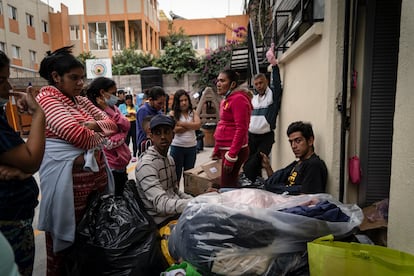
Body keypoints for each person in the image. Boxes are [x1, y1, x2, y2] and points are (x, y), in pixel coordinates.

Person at [35, 46, 118, 275]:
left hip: (92, 185)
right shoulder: (48, 100)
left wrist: (93, 129)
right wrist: (98, 136)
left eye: (82, 78)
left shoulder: (79, 100)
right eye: (74, 78)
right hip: (69, 189)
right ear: (55, 77)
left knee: (90, 243)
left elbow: (113, 125)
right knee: (64, 250)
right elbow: (78, 137)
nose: (81, 84)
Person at [0, 51, 45, 276]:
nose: (7, 87)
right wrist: (38, 115)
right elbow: (31, 160)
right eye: (0, 80)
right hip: (8, 218)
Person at [135, 114, 193, 227]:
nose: (163, 136)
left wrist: (199, 199)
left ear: (173, 135)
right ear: (151, 136)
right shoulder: (146, 165)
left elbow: (175, 191)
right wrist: (194, 203)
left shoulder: (169, 159)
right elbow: (161, 205)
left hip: (173, 213)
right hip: (159, 220)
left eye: (166, 132)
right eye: (158, 133)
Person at [242, 43, 283, 182]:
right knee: (251, 161)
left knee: (255, 161)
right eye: (256, 83)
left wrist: (274, 65)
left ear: (266, 82)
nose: (259, 85)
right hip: (251, 136)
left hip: (266, 136)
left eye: (261, 82)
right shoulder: (253, 99)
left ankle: (249, 179)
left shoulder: (271, 95)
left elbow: (277, 84)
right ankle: (255, 182)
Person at [85, 77, 131, 195]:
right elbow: (107, 142)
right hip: (109, 165)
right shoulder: (92, 112)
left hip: (122, 162)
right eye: (113, 93)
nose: (116, 96)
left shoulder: (112, 108)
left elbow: (126, 125)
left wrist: (107, 109)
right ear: (102, 92)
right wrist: (122, 133)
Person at [261, 121, 328, 195]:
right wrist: (267, 167)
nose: (293, 146)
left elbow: (307, 199)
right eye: (291, 142)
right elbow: (274, 182)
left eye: (298, 141)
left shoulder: (314, 165)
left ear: (310, 141)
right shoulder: (297, 164)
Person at [212, 69, 252, 188]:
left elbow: (241, 129)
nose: (218, 84)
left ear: (233, 84)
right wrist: (217, 149)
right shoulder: (226, 100)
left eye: (222, 81)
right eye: (218, 80)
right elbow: (223, 124)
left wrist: (231, 156)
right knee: (228, 184)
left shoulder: (238, 99)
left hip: (234, 151)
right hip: (227, 149)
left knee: (228, 187)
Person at [169, 89, 201, 182]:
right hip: (177, 147)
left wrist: (179, 123)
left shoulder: (193, 112)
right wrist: (191, 125)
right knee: (176, 175)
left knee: (189, 175)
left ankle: (187, 194)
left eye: (185, 100)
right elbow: (175, 129)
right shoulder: (173, 113)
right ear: (177, 102)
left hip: (191, 148)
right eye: (181, 101)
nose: (184, 103)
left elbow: (198, 125)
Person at [119, 94, 138, 161]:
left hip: (134, 124)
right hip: (125, 124)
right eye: (127, 100)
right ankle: (126, 154)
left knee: (134, 139)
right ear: (125, 100)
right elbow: (119, 114)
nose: (128, 101)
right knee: (126, 140)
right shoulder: (121, 106)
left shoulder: (135, 106)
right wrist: (126, 115)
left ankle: (134, 155)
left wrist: (134, 114)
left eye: (130, 100)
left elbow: (138, 114)